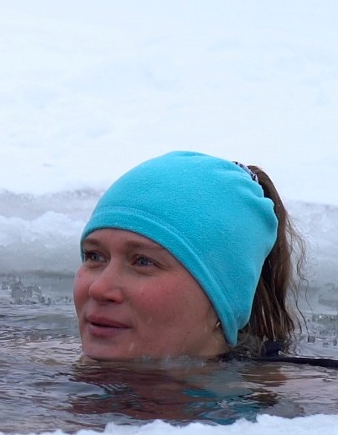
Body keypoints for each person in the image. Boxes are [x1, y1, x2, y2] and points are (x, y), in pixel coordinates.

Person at [74, 150, 303, 362]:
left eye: (143, 261)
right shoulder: (53, 372)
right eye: (95, 256)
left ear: (222, 300)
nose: (98, 289)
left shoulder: (300, 391)